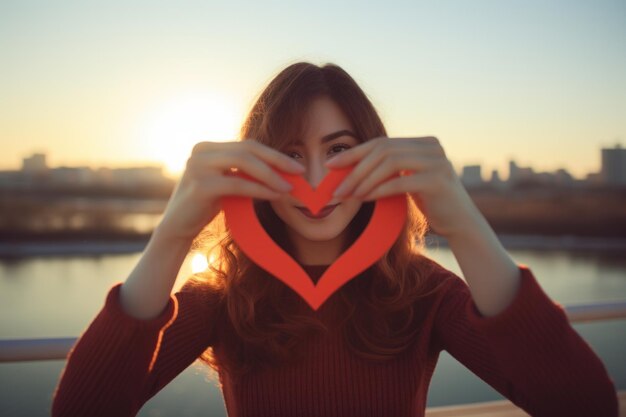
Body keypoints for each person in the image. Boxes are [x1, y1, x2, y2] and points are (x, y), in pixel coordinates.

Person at [51, 62, 619, 417]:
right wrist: (175, 230)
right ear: (255, 167)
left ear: (376, 156)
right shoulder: (223, 295)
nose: (317, 182)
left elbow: (584, 405)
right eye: (290, 155)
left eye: (340, 150)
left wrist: (460, 215)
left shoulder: (423, 292)